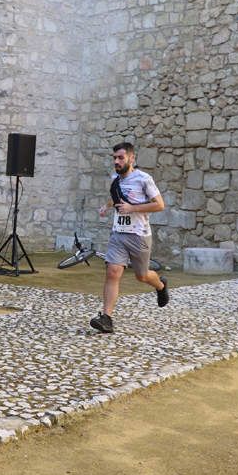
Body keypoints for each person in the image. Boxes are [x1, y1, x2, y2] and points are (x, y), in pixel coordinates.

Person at [89, 142, 168, 334]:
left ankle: (160, 285)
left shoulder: (144, 179)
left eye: (120, 158)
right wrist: (106, 206)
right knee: (113, 271)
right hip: (118, 233)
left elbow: (159, 205)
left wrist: (132, 208)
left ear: (131, 158)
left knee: (142, 275)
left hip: (139, 235)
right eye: (114, 158)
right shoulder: (114, 178)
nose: (116, 161)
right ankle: (107, 318)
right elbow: (117, 197)